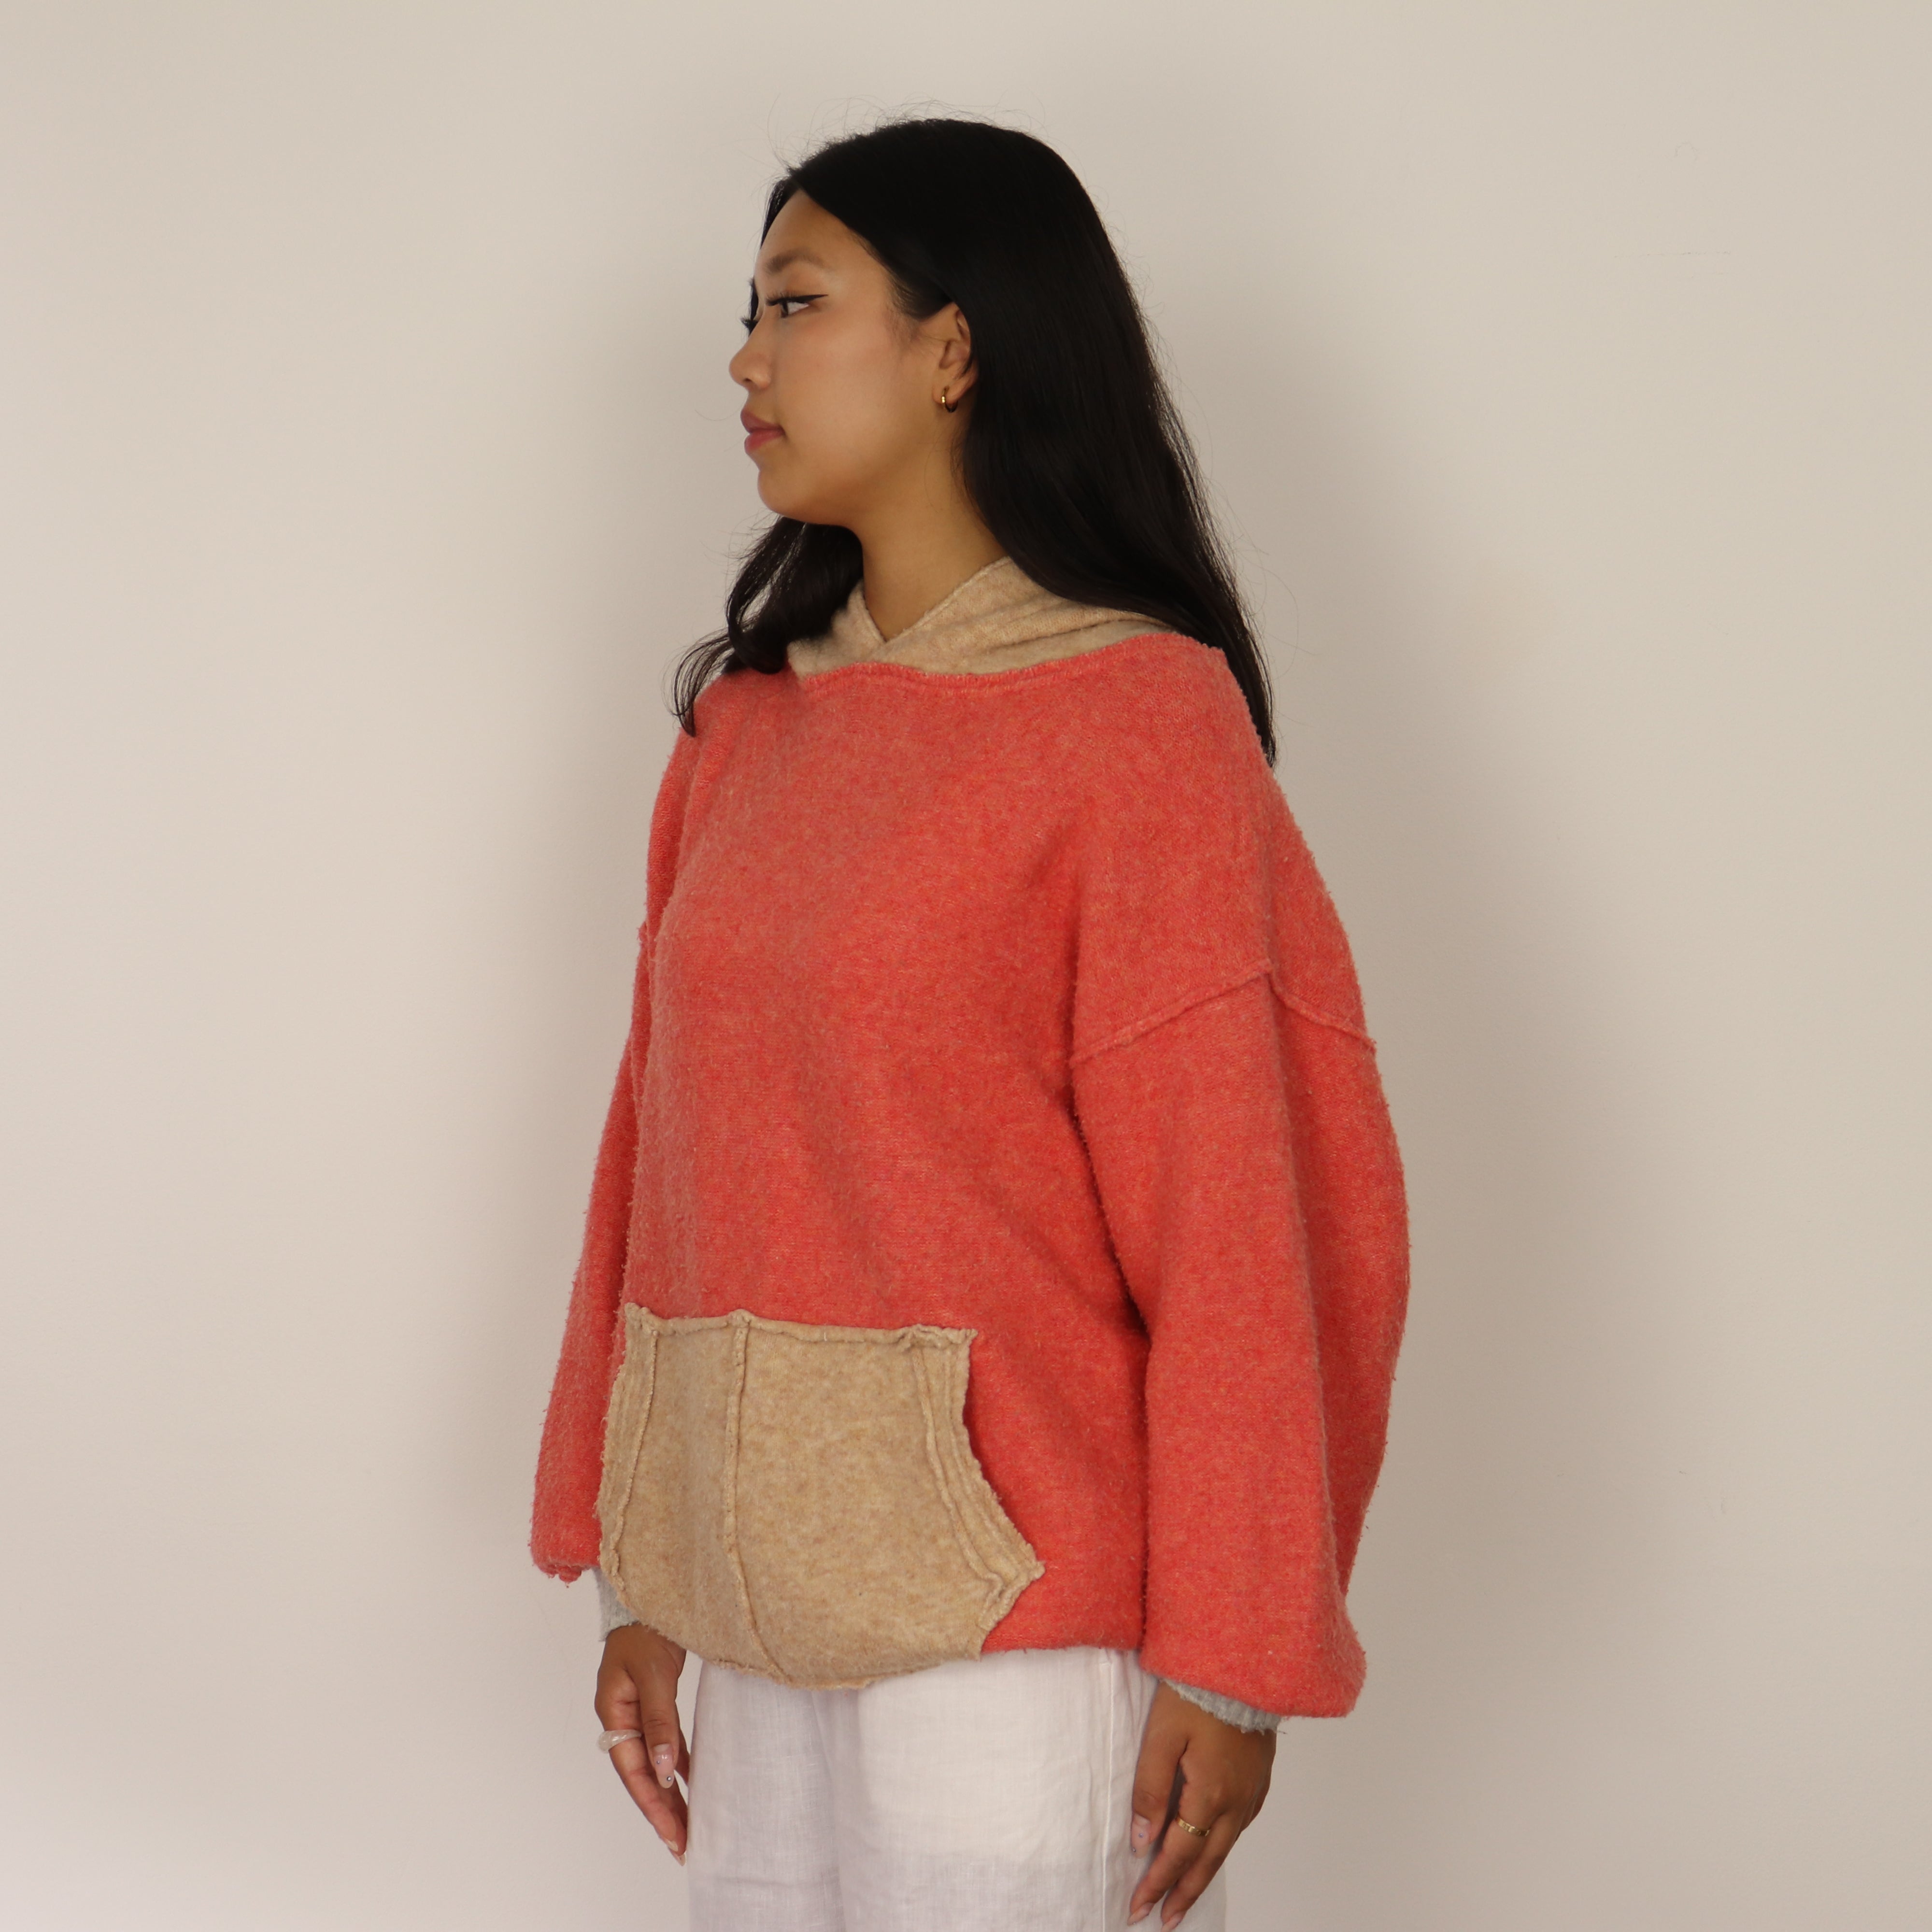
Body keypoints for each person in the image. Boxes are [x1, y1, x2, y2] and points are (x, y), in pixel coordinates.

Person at [529, 114, 1410, 1932]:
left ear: (955, 349)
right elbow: (659, 1169)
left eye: (795, 304)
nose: (746, 360)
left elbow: (1248, 1223)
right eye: (749, 312)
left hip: (1021, 1637)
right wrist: (641, 1569)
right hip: (755, 1627)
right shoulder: (745, 736)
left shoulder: (1138, 727)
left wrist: (1236, 1658)